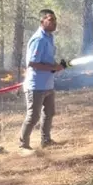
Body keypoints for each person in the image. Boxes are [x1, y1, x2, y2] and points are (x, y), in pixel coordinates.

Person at [19, 9, 65, 150]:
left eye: (55, 20)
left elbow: (46, 60)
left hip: (48, 85)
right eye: (50, 20)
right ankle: (23, 145)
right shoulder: (39, 39)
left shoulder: (49, 37)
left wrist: (57, 67)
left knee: (49, 113)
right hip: (36, 85)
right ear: (42, 21)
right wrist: (53, 68)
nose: (54, 23)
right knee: (33, 116)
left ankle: (46, 141)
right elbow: (33, 63)